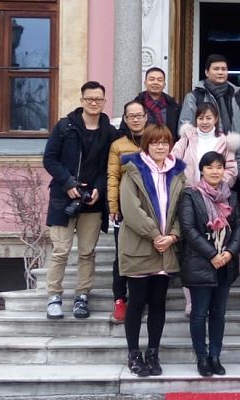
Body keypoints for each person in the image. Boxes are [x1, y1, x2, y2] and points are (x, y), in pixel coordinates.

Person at [43, 81, 118, 320]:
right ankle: (54, 297)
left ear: (104, 101)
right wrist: (68, 183)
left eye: (98, 99)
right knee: (60, 251)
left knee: (87, 252)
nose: (94, 103)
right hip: (63, 198)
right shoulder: (65, 127)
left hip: (92, 201)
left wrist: (99, 189)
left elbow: (109, 166)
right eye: (89, 99)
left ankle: (82, 296)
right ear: (82, 100)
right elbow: (49, 159)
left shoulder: (110, 132)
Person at [118, 124, 186, 377]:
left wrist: (173, 235)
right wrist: (155, 235)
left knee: (158, 303)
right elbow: (131, 209)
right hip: (140, 246)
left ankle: (153, 353)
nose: (160, 147)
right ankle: (134, 354)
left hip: (165, 249)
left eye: (165, 142)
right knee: (136, 302)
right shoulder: (133, 170)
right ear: (146, 145)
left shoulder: (177, 173)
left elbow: (182, 209)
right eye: (155, 142)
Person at [178, 151, 240, 377]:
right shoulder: (190, 194)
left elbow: (239, 226)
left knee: (218, 312)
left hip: (225, 263)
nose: (215, 171)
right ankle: (202, 357)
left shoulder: (231, 196)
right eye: (210, 167)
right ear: (201, 170)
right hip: (200, 262)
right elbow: (188, 229)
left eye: (219, 167)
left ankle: (215, 356)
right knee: (199, 313)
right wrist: (212, 254)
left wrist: (230, 252)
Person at [172, 102, 240, 316]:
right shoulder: (187, 138)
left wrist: (216, 185)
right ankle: (191, 300)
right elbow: (173, 161)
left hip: (217, 199)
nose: (204, 121)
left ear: (216, 119)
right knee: (190, 249)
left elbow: (231, 169)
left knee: (214, 243)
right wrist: (186, 185)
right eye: (201, 117)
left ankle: (214, 296)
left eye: (209, 117)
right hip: (190, 196)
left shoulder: (225, 142)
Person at [106, 100, 148, 323]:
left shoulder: (155, 140)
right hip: (125, 208)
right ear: (125, 119)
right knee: (122, 254)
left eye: (139, 115)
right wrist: (113, 206)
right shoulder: (118, 145)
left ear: (146, 117)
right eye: (131, 116)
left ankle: (141, 299)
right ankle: (120, 299)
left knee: (147, 254)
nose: (135, 119)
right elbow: (113, 177)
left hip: (150, 208)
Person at [179, 53, 240, 135]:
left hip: (234, 143)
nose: (220, 72)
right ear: (207, 72)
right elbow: (186, 128)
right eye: (216, 69)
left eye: (224, 69)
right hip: (203, 142)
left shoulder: (238, 98)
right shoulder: (194, 97)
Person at [132, 67, 181, 142]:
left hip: (166, 145)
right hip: (140, 144)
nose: (155, 82)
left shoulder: (174, 106)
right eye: (151, 79)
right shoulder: (136, 104)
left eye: (159, 80)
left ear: (164, 85)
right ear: (145, 83)